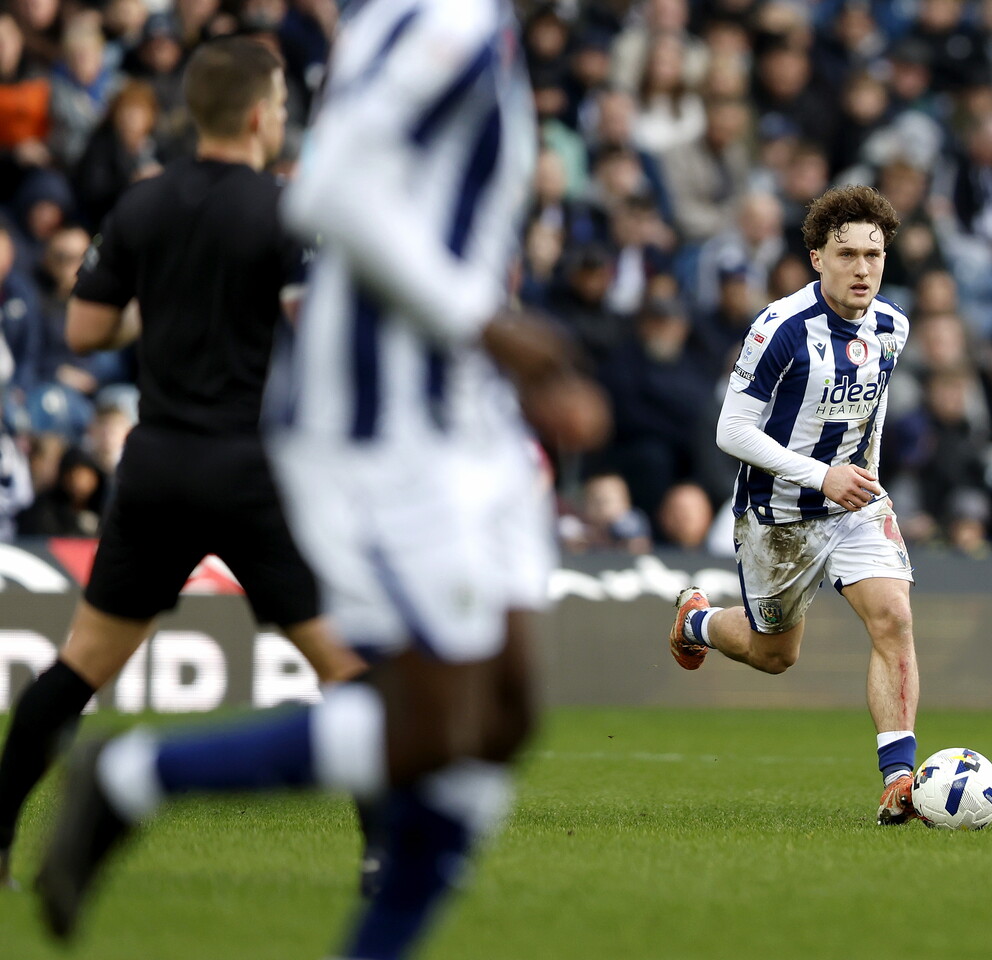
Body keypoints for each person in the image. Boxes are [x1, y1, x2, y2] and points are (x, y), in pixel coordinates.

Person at [34, 7, 607, 960]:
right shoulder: (442, 18)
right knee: (425, 715)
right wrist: (490, 324)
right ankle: (135, 776)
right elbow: (331, 188)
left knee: (501, 719)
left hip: (466, 420)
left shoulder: (479, 22)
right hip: (386, 425)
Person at [1, 35, 366, 893]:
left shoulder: (141, 206)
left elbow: (86, 331)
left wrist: (160, 313)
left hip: (157, 464)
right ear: (255, 116)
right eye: (279, 108)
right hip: (250, 470)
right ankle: (385, 860)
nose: (282, 120)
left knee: (81, 663)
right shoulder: (285, 208)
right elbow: (318, 331)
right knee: (350, 672)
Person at [667, 184, 922, 826]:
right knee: (774, 655)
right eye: (847, 254)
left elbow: (875, 407)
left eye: (875, 253)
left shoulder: (893, 325)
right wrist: (820, 476)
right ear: (816, 257)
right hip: (776, 515)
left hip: (855, 501)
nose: (863, 268)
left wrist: (867, 476)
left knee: (893, 617)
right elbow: (731, 431)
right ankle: (697, 621)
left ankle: (899, 779)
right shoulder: (779, 328)